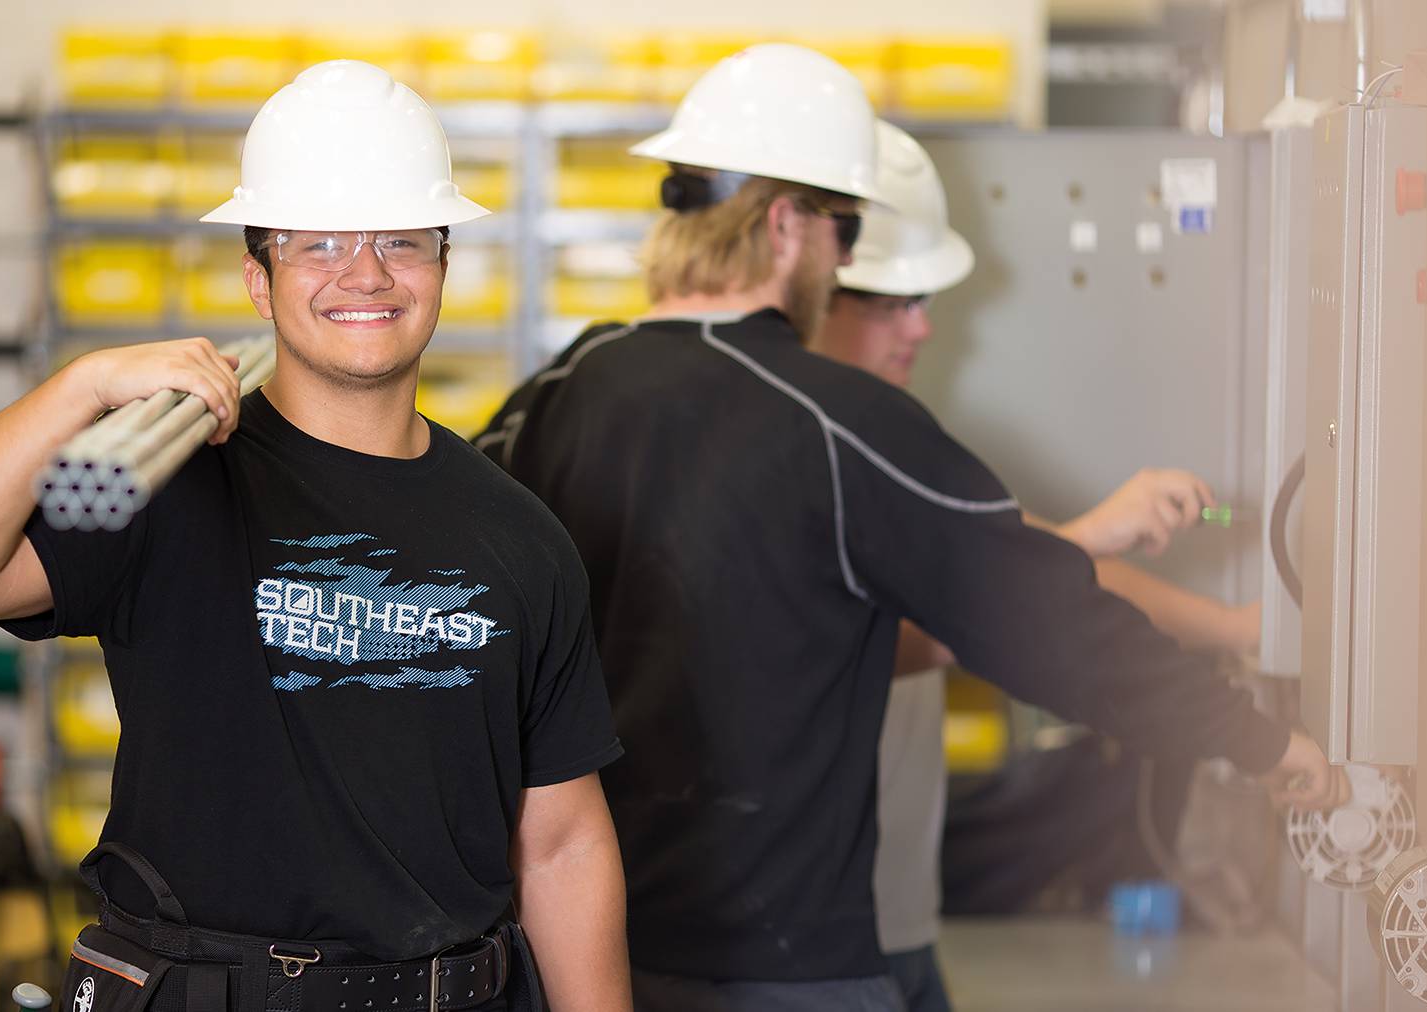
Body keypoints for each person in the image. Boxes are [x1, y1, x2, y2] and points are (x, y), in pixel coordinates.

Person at [473, 43, 1345, 1012]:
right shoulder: (839, 420)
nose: (845, 262)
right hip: (776, 956)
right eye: (848, 234)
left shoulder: (558, 389)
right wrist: (1262, 740)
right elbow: (1050, 629)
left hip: (574, 943)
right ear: (787, 224)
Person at [0, 60, 630, 1012]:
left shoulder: (522, 536)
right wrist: (82, 385)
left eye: (402, 240)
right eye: (319, 243)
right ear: (257, 277)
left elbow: (561, 840)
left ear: (443, 265)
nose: (366, 273)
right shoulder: (165, 484)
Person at [813, 120, 1264, 1012]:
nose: (924, 327)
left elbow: (1035, 568)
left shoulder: (889, 443)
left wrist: (1243, 632)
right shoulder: (805, 456)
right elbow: (923, 621)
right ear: (815, 286)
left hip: (894, 912)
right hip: (826, 933)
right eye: (893, 303)